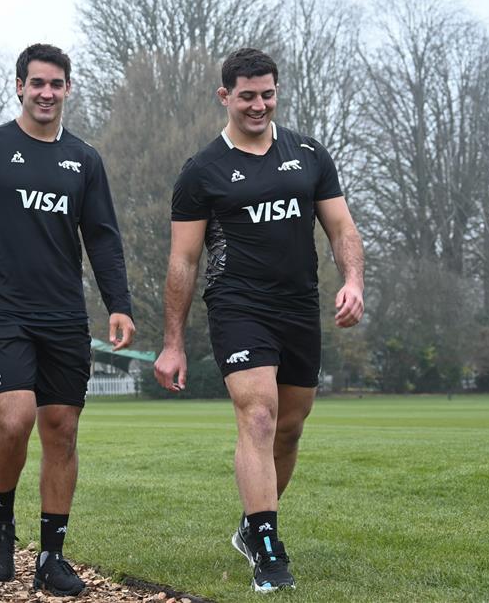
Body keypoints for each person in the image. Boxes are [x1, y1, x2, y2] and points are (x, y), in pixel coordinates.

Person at [155, 48, 364, 593]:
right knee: (260, 417)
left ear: (276, 92)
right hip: (238, 306)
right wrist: (173, 343)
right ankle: (269, 551)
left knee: (289, 427)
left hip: (299, 307)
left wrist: (353, 281)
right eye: (246, 96)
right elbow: (183, 261)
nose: (258, 105)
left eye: (267, 94)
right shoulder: (202, 171)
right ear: (224, 96)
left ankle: (251, 528)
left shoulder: (309, 154)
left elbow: (341, 228)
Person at [0, 43, 135, 596]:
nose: (46, 93)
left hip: (65, 314)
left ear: (68, 88)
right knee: (14, 420)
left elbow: (102, 238)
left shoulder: (84, 159)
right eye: (37, 83)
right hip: (2, 308)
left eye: (56, 84)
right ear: (19, 86)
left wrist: (119, 303)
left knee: (62, 430)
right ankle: (2, 517)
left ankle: (51, 557)